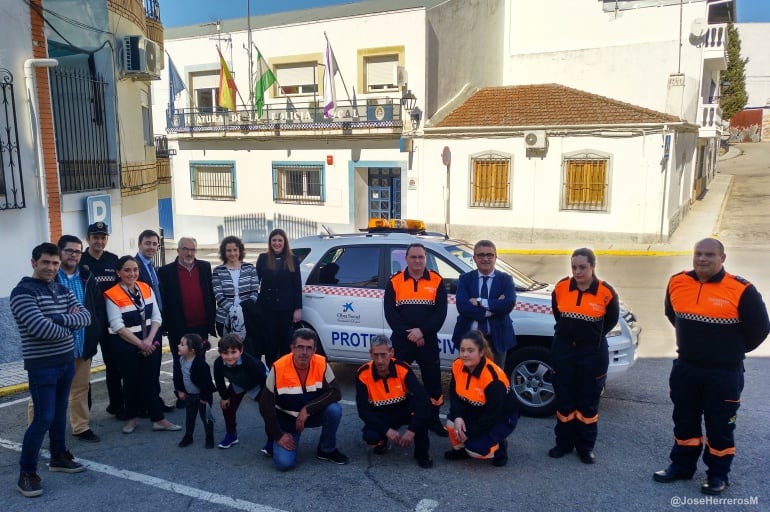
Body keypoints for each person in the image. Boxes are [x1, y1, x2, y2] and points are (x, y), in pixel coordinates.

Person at [653, 238, 769, 496]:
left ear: (722, 258)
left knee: (720, 427)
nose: (702, 259)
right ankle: (682, 466)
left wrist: (729, 351)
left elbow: (760, 330)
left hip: (724, 373)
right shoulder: (677, 282)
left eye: (709, 254)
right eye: (698, 253)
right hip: (686, 369)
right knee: (684, 421)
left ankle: (718, 476)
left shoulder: (742, 289)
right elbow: (673, 315)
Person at [11, 243, 91, 497]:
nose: (51, 268)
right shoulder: (22, 293)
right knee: (43, 417)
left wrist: (57, 319)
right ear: (34, 262)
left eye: (55, 263)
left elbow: (86, 317)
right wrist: (68, 324)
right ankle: (27, 472)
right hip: (42, 365)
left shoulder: (61, 288)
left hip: (66, 361)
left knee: (59, 414)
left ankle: (58, 456)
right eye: (46, 262)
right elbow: (39, 328)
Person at [548, 248, 619, 465]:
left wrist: (589, 337)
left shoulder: (606, 293)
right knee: (564, 399)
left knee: (588, 403)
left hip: (592, 354)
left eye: (582, 267)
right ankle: (563, 443)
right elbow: (558, 315)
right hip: (564, 352)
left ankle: (585, 447)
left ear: (592, 267)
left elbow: (610, 321)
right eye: (574, 267)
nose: (578, 272)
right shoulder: (561, 288)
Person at [104, 255, 181, 434]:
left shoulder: (145, 288)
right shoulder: (112, 294)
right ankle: (131, 419)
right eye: (127, 270)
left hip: (150, 341)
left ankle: (158, 419)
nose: (132, 273)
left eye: (135, 269)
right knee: (130, 382)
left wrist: (149, 341)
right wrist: (140, 344)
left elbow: (157, 317)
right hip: (126, 345)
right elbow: (117, 326)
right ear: (118, 272)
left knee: (150, 381)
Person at [259, 328, 349, 471]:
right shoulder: (278, 367)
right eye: (300, 347)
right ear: (292, 348)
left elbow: (336, 393)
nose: (304, 352)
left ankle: (326, 450)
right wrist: (279, 435)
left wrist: (307, 409)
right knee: (284, 464)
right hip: (287, 420)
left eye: (309, 348)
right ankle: (274, 440)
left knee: (334, 410)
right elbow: (265, 405)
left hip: (310, 415)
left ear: (314, 350)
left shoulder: (321, 364)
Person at [384, 243, 448, 437]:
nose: (417, 261)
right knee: (397, 381)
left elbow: (440, 313)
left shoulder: (437, 281)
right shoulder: (395, 281)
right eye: (413, 257)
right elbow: (390, 314)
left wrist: (422, 332)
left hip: (427, 341)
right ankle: (395, 418)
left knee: (434, 383)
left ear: (426, 258)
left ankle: (434, 420)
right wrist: (410, 334)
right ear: (406, 258)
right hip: (402, 341)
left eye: (421, 257)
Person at [355, 334, 433, 468]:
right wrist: (386, 430)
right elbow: (363, 411)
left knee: (421, 411)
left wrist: (411, 431)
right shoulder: (363, 374)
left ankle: (422, 453)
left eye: (384, 355)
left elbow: (424, 399)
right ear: (370, 354)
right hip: (380, 415)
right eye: (376, 355)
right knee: (370, 436)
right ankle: (382, 442)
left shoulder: (403, 369)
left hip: (402, 411)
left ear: (391, 353)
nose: (379, 360)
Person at [57, 235, 106, 443]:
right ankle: (39, 428)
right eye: (69, 250)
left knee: (80, 389)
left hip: (83, 343)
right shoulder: (51, 276)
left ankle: (80, 427)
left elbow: (96, 307)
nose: (74, 255)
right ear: (60, 252)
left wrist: (95, 332)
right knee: (46, 392)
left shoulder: (86, 276)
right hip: (57, 346)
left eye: (77, 251)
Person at [444, 330, 518, 467]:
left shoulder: (492, 378)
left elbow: (493, 414)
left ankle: (499, 447)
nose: (465, 354)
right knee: (452, 423)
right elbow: (453, 394)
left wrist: (470, 432)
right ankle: (461, 450)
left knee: (477, 450)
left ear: (481, 352)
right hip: (476, 409)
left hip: (501, 416)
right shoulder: (458, 365)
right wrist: (458, 416)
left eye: (470, 350)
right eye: (462, 350)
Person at [158, 236, 216, 407]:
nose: (189, 253)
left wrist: (211, 321)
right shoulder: (166, 271)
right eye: (185, 249)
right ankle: (182, 395)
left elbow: (209, 293)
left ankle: (199, 393)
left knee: (199, 361)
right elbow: (165, 300)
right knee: (179, 361)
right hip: (179, 326)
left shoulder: (204, 267)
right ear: (178, 250)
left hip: (201, 324)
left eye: (192, 249)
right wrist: (166, 325)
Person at [80, 222, 123, 419]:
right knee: (83, 369)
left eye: (103, 237)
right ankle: (84, 413)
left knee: (114, 366)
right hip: (87, 323)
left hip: (109, 321)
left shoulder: (113, 260)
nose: (99, 241)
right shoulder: (80, 261)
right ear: (88, 238)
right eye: (95, 237)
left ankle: (116, 406)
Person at [452, 240, 516, 371]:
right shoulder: (465, 279)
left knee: (495, 378)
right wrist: (494, 307)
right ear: (474, 258)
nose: (485, 258)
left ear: (495, 257)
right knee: (468, 377)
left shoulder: (506, 279)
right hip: (469, 338)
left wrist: (481, 302)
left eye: (489, 255)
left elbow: (508, 305)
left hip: (497, 338)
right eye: (480, 255)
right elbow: (463, 308)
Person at [134, 229, 175, 413]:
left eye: (154, 244)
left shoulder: (152, 267)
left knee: (154, 366)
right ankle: (144, 405)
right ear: (139, 244)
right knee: (143, 368)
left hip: (156, 324)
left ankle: (153, 401)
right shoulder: (134, 266)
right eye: (147, 243)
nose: (151, 247)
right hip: (142, 326)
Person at [255, 228, 303, 367]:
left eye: (280, 240)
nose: (277, 243)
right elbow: (255, 281)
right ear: (270, 242)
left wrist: (297, 308)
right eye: (274, 240)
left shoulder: (292, 259)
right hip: (267, 309)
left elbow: (297, 285)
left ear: (284, 242)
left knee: (285, 342)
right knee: (270, 343)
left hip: (286, 309)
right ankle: (272, 373)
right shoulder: (263, 258)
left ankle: (285, 370)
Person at [212, 333, 269, 450]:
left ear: (241, 351)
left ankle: (273, 438)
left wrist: (266, 398)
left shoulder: (250, 362)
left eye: (233, 352)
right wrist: (224, 397)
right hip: (238, 382)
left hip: (257, 382)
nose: (230, 357)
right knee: (227, 406)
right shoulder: (218, 363)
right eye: (225, 353)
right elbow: (219, 381)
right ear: (220, 353)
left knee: (268, 410)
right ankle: (231, 435)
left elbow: (263, 378)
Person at [212, 236, 259, 351]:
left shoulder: (250, 268)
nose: (232, 253)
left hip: (248, 317)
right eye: (229, 250)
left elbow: (254, 292)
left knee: (248, 351)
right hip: (224, 319)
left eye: (235, 250)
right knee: (229, 352)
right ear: (224, 252)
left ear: (240, 251)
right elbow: (218, 294)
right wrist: (233, 310)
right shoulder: (218, 271)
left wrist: (241, 309)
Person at [174, 333, 216, 449]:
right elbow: (178, 376)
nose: (178, 346)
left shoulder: (200, 364)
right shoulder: (181, 360)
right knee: (189, 418)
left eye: (182, 344)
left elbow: (206, 383)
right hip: (190, 396)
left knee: (206, 419)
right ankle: (188, 436)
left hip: (202, 397)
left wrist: (204, 398)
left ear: (191, 350)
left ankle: (209, 437)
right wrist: (180, 391)